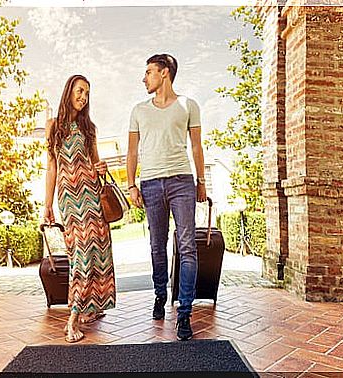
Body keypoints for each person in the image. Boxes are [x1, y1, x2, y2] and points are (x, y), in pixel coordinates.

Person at [126, 54, 207, 341]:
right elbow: (132, 152)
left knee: (187, 247)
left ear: (164, 73)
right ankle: (160, 295)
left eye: (148, 72)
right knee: (157, 247)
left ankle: (184, 312)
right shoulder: (138, 110)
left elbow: (196, 148)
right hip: (149, 184)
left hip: (182, 183)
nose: (144, 77)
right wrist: (131, 185)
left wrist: (201, 182)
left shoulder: (188, 106)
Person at [44, 74, 116, 343]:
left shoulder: (90, 128)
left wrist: (102, 168)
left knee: (97, 250)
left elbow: (96, 163)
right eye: (79, 91)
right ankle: (72, 318)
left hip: (93, 196)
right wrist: (47, 205)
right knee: (81, 254)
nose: (83, 97)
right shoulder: (53, 126)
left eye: (87, 93)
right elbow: (51, 167)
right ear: (69, 91)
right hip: (69, 199)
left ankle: (90, 307)